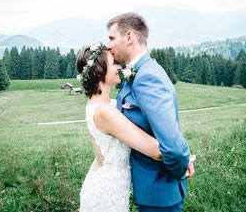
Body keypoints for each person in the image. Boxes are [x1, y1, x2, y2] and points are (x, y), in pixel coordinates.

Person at [106, 12, 193, 211]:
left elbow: (173, 149)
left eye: (112, 38)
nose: (108, 45)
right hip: (149, 192)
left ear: (129, 37)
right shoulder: (139, 72)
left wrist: (181, 168)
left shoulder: (147, 77)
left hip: (159, 194)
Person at [76, 42, 164, 212]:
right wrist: (181, 157)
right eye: (113, 63)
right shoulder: (104, 111)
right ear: (98, 71)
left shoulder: (104, 104)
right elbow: (156, 150)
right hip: (106, 195)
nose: (119, 66)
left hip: (112, 187)